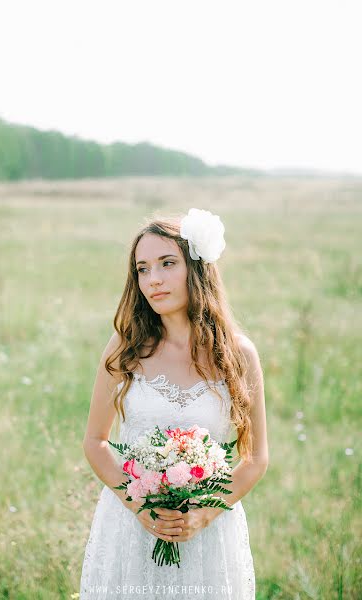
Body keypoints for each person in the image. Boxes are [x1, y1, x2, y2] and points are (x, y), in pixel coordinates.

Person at [79, 208, 268, 599]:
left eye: (167, 263)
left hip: (208, 532)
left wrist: (203, 516)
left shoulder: (238, 354)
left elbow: (255, 458)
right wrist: (140, 509)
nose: (154, 280)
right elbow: (95, 442)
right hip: (131, 526)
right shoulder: (125, 346)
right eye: (142, 269)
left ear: (197, 268)